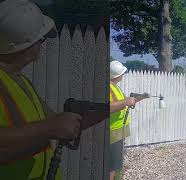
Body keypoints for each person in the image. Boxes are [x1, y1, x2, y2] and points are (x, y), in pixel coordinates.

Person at [0, 0, 107, 179]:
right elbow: (50, 126)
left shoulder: (19, 80)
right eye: (40, 39)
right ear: (25, 45)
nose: (42, 44)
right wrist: (49, 128)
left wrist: (105, 110)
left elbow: (53, 122)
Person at [109, 61, 147, 180]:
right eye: (122, 73)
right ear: (116, 75)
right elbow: (108, 107)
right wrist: (126, 102)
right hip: (113, 131)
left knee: (115, 164)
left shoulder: (114, 87)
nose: (123, 75)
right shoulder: (108, 87)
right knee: (111, 165)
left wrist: (140, 97)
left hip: (119, 130)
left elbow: (122, 100)